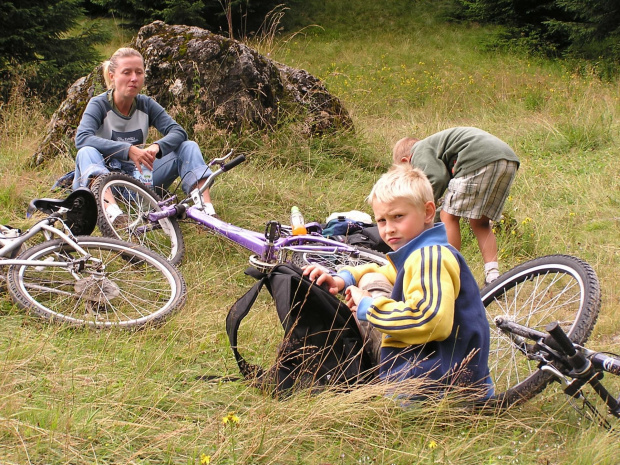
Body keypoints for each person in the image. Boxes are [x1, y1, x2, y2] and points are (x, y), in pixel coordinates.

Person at [303, 164, 493, 400]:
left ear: (427, 212)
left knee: (368, 297)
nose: (388, 229)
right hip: (445, 378)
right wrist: (343, 279)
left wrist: (368, 307)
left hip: (438, 387)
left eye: (398, 217)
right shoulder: (421, 253)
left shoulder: (431, 257)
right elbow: (386, 271)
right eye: (381, 221)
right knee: (373, 278)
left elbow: (430, 319)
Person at [73, 47, 216, 223]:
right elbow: (82, 138)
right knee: (85, 151)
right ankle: (112, 213)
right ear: (112, 76)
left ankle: (205, 211)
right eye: (127, 72)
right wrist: (128, 150)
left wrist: (157, 147)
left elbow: (179, 132)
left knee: (189, 146)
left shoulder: (146, 104)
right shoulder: (99, 104)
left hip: (140, 178)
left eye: (138, 72)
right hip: (106, 179)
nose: (134, 78)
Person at [393, 127, 519, 285]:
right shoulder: (435, 146)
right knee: (480, 222)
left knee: (448, 216)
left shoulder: (419, 151)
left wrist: (421, 211)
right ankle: (493, 277)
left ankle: (449, 274)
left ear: (406, 161)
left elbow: (437, 178)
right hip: (507, 159)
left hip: (479, 159)